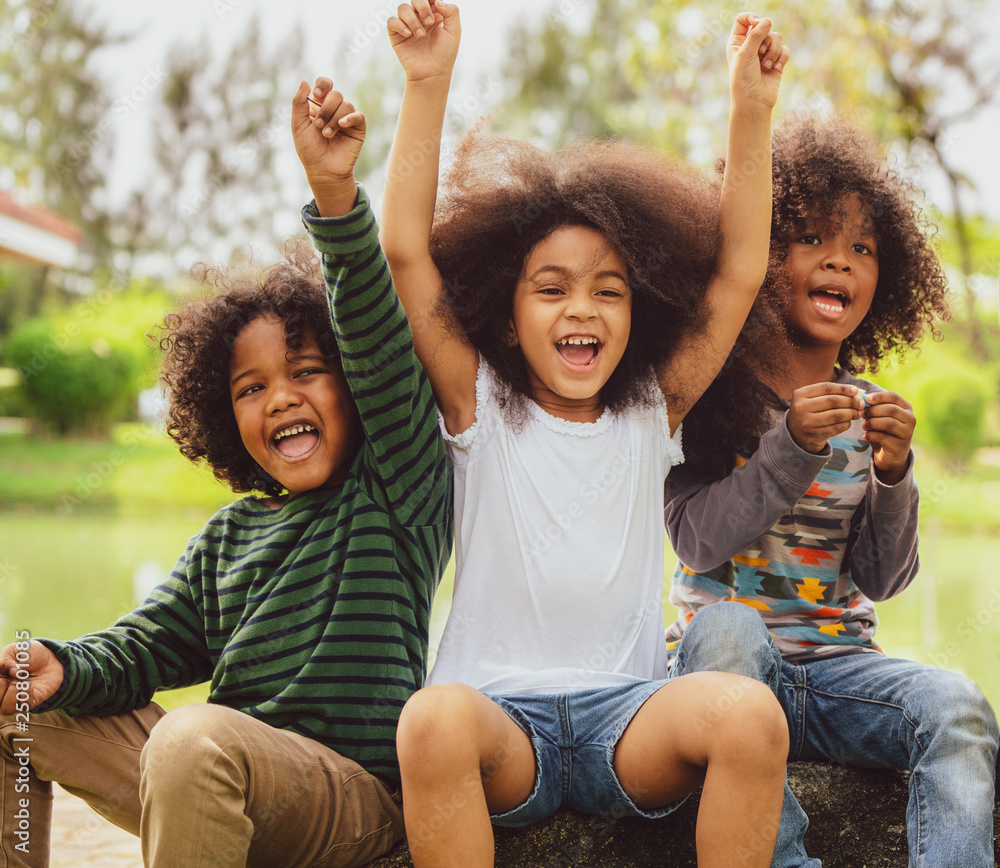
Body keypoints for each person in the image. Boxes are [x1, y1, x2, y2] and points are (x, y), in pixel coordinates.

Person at [346, 2, 791, 865]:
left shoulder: (650, 411)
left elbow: (740, 269)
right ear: (508, 319)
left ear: (638, 315)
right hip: (498, 725)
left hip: (627, 722)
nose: (581, 307)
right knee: (429, 718)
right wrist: (427, 80)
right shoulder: (479, 405)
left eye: (608, 291)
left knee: (749, 716)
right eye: (551, 288)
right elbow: (405, 252)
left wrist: (751, 110)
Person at [0, 80, 452, 868]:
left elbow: (381, 340)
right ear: (225, 415)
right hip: (212, 778)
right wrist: (62, 663)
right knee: (17, 706)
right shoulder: (231, 536)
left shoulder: (397, 492)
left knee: (194, 738)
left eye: (308, 372)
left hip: (350, 805)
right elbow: (144, 648)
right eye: (251, 389)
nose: (281, 397)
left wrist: (335, 195)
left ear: (356, 388)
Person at [664, 114, 999, 868]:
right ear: (758, 253)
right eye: (810, 238)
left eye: (862, 248)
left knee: (958, 706)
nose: (839, 262)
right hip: (727, 675)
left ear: (888, 280)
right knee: (728, 629)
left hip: (839, 670)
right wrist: (790, 449)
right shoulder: (710, 396)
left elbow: (884, 577)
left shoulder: (867, 406)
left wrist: (892, 475)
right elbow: (694, 538)